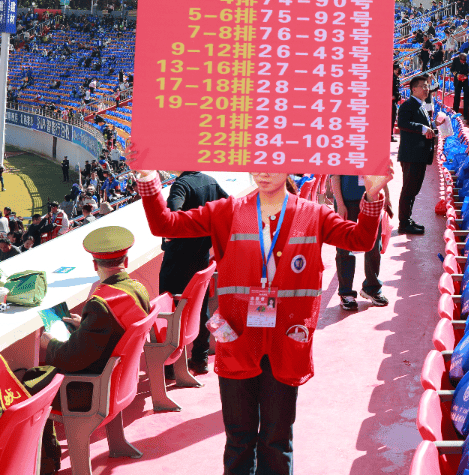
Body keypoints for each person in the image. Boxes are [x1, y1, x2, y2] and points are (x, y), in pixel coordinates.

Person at [133, 166, 389, 475]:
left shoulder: (313, 214)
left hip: (286, 342)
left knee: (277, 441)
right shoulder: (227, 211)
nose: (263, 173)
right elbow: (166, 224)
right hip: (238, 340)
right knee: (239, 441)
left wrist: (372, 196)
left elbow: (359, 240)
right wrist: (147, 179)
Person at [41, 226, 150, 411]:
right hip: (120, 381)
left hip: (92, 389)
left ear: (95, 265)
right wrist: (84, 325)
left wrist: (49, 344)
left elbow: (71, 358)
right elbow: (112, 332)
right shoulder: (139, 288)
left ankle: (48, 440)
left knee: (31, 380)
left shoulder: (99, 305)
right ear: (127, 261)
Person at [157, 171, 229, 375]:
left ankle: (170, 366)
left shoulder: (181, 185)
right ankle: (200, 358)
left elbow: (172, 212)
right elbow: (230, 205)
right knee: (201, 306)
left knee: (170, 310)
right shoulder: (210, 181)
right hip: (201, 256)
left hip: (177, 259)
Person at [332, 175, 388, 311]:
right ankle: (346, 293)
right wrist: (340, 204)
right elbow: (334, 176)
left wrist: (387, 195)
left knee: (374, 245)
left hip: (371, 199)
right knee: (344, 247)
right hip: (346, 202)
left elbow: (380, 172)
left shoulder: (373, 152)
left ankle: (372, 287)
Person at [396, 75, 435, 234]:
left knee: (413, 189)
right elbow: (402, 124)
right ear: (414, 89)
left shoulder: (421, 105)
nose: (426, 89)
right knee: (408, 189)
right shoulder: (408, 105)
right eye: (423, 86)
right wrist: (423, 128)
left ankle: (408, 219)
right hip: (411, 155)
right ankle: (403, 223)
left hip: (419, 154)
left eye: (427, 86)